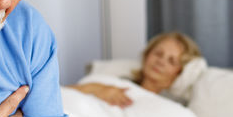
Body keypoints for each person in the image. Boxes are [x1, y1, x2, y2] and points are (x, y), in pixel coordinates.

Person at [68, 32, 202, 107]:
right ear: (146, 55)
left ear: (180, 71)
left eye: (171, 61)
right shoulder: (118, 84)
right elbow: (60, 96)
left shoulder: (175, 105)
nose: (160, 62)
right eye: (158, 54)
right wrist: (94, 89)